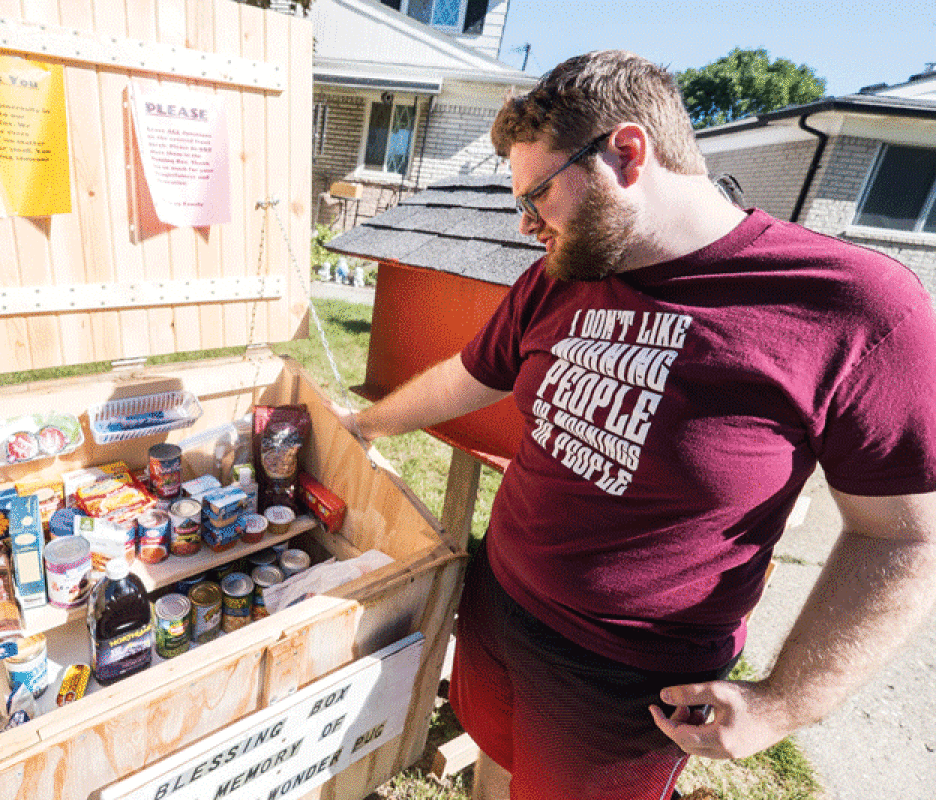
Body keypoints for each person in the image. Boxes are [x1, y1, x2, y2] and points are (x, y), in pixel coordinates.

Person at [342, 50, 936, 800]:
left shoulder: (858, 306)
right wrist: (366, 423)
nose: (528, 225)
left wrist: (786, 703)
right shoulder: (558, 276)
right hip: (498, 600)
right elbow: (472, 373)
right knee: (495, 761)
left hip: (627, 681)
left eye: (538, 197)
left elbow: (904, 538)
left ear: (626, 153)